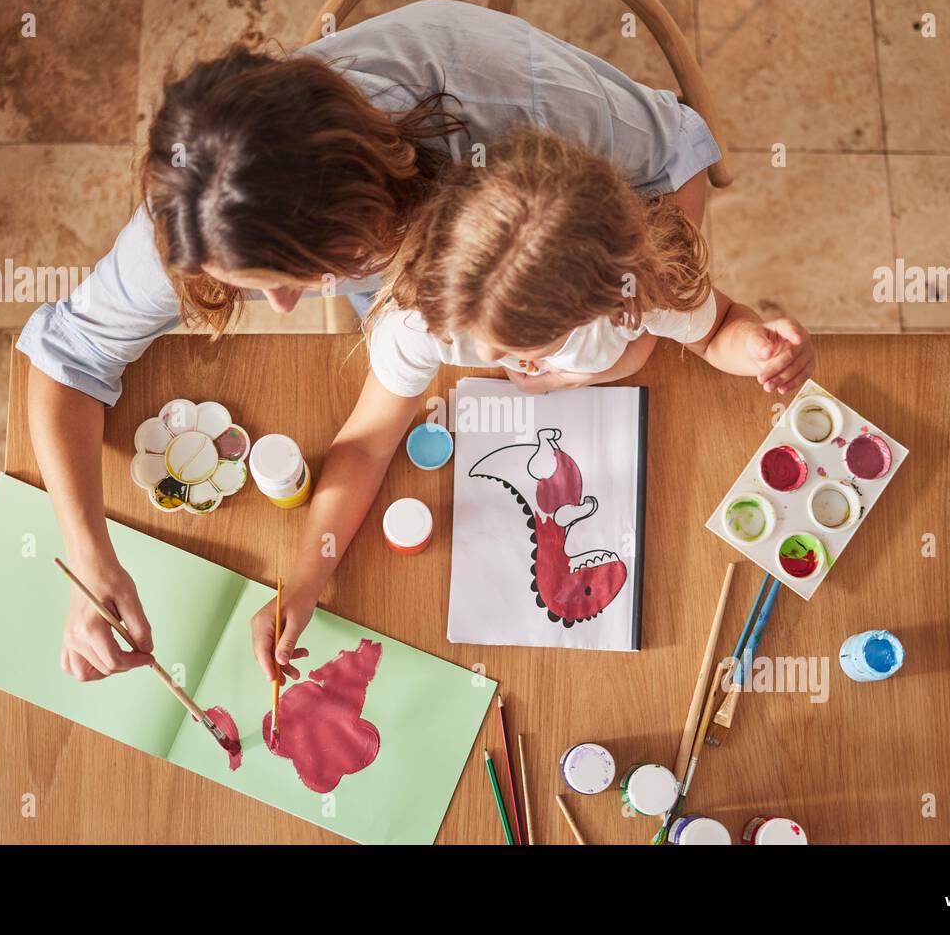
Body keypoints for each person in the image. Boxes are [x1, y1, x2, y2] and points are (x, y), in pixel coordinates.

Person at [23, 0, 725, 682]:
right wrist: (89, 558)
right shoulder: (201, 209)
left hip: (584, 253)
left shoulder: (503, 102)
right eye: (251, 285)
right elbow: (69, 355)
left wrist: (608, 347)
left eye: (296, 276)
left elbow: (677, 162)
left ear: (359, 212)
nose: (285, 306)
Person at [254, 127, 813, 680]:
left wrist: (759, 348)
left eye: (525, 345)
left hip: (662, 159)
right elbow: (368, 446)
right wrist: (303, 582)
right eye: (470, 334)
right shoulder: (421, 315)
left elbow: (715, 332)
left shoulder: (637, 288)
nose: (494, 357)